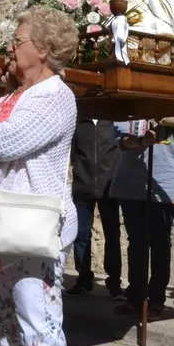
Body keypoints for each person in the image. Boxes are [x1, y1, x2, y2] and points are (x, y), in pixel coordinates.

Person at [0, 5, 80, 346]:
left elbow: (4, 143)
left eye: (17, 40)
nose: (10, 47)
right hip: (9, 223)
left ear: (43, 49)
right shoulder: (14, 95)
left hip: (36, 223)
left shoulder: (55, 95)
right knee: (10, 326)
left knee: (39, 328)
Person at [111, 115, 174, 320]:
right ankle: (135, 298)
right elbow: (121, 140)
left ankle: (157, 300)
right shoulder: (131, 108)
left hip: (166, 185)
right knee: (137, 244)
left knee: (160, 244)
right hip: (132, 186)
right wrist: (142, 140)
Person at [65, 117, 124, 300]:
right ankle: (83, 281)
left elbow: (120, 152)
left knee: (112, 235)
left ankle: (114, 283)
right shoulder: (79, 123)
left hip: (110, 188)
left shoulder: (112, 123)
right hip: (83, 187)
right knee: (81, 235)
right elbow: (74, 156)